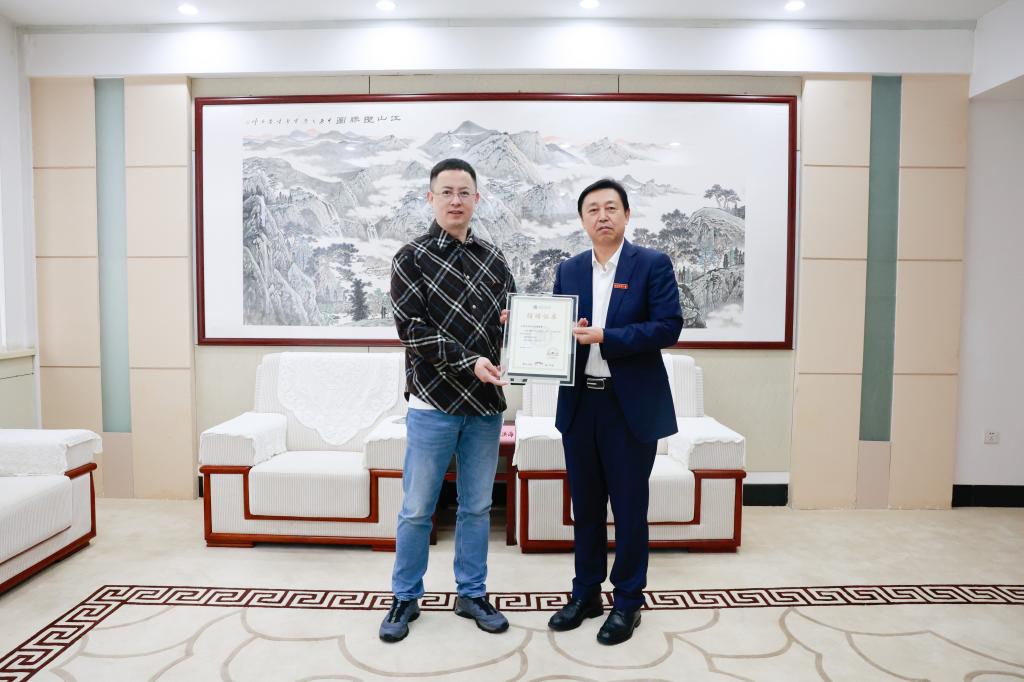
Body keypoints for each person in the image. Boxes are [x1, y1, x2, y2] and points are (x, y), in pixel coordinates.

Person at [380, 158, 516, 643]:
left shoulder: (494, 258)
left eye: (464, 192)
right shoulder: (410, 258)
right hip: (432, 404)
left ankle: (472, 594)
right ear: (430, 198)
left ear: (477, 199)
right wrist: (469, 361)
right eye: (446, 192)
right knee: (418, 508)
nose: (455, 200)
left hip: (484, 405)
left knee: (476, 507)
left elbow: (514, 320)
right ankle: (405, 596)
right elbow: (412, 331)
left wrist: (520, 327)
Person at [547, 178, 683, 645]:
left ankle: (627, 601)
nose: (602, 216)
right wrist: (524, 328)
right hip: (580, 403)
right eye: (593, 209)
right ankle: (586, 594)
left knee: (628, 509)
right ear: (582, 219)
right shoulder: (569, 270)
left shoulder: (652, 264)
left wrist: (607, 336)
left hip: (629, 408)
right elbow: (557, 331)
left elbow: (668, 327)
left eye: (611, 207)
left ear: (626, 214)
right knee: (584, 508)